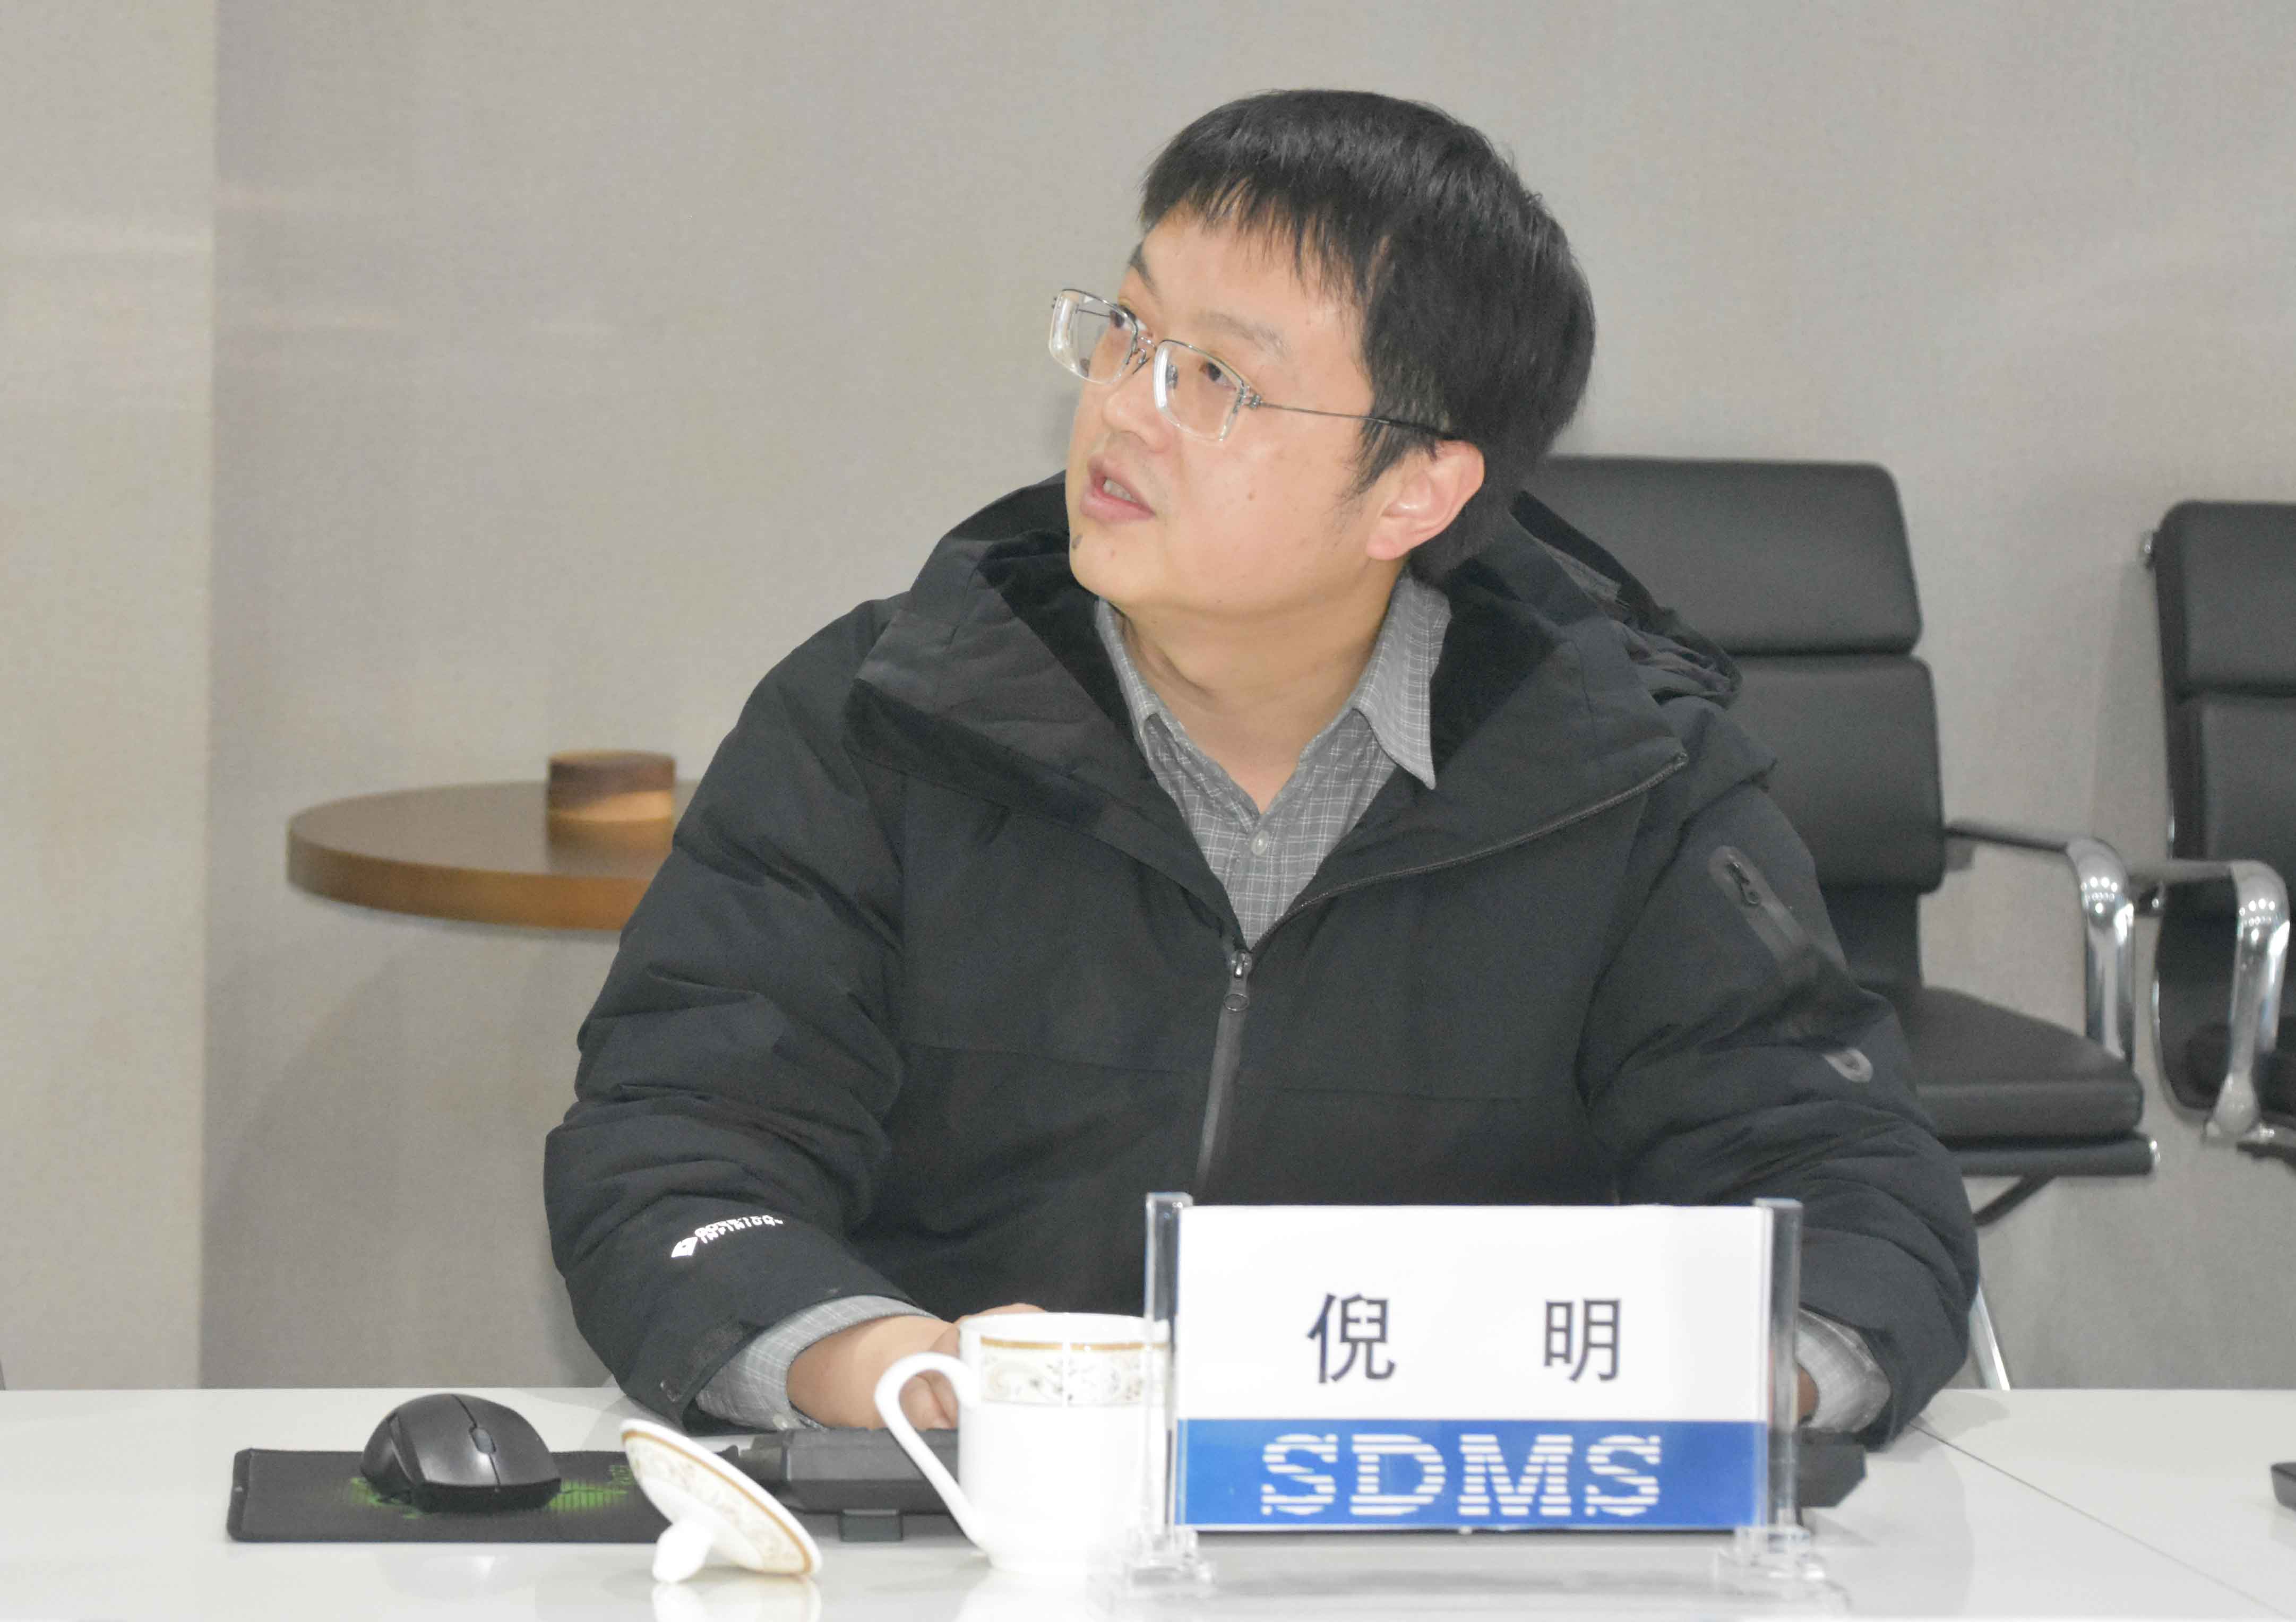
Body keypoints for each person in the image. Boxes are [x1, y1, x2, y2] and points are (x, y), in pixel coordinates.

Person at [545, 89, 1978, 1446]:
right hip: (963, 1524)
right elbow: (677, 1149)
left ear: (1416, 489)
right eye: (1128, 333)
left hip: (1449, 1536)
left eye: (1217, 378)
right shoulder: (876, 721)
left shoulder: (1629, 779)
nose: (1124, 408)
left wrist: (1735, 1386)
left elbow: (1851, 1190)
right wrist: (900, 1374)